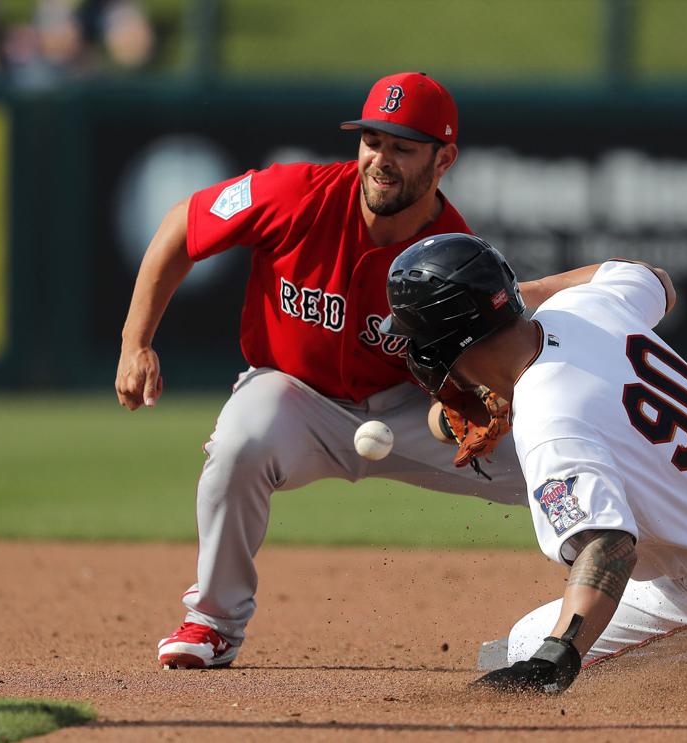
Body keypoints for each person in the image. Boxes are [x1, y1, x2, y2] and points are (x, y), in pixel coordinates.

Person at [115, 72, 591, 669]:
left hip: (410, 408)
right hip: (294, 396)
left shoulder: (455, 251)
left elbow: (481, 367)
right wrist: (137, 342)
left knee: (568, 471)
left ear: (444, 159)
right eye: (372, 140)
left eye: (402, 146)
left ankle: (669, 601)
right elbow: (185, 223)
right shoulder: (294, 194)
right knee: (240, 443)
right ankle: (211, 621)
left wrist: (482, 406)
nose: (380, 159)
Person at [382, 234, 687, 693]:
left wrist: (559, 654)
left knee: (524, 646)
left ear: (440, 344)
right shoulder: (582, 307)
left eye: (413, 335)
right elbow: (655, 279)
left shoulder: (549, 420)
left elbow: (610, 546)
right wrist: (507, 300)